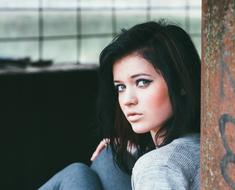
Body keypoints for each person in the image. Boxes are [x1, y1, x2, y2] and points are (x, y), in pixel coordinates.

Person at [39, 20, 201, 190]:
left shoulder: (158, 167)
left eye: (142, 82)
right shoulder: (201, 143)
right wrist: (136, 147)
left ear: (181, 82)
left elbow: (161, 169)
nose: (127, 100)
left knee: (75, 174)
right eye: (121, 87)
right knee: (109, 156)